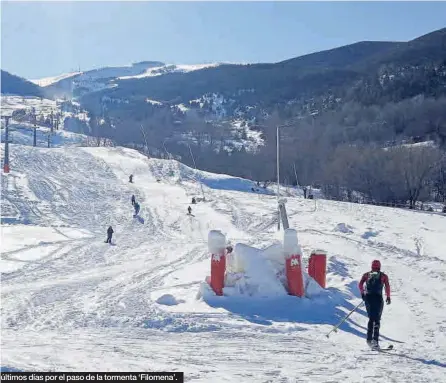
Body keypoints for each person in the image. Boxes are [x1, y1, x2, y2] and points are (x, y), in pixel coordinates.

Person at [358, 260, 391, 348]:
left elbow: (360, 284)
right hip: (378, 299)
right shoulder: (383, 276)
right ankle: (375, 341)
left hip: (368, 298)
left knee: (371, 318)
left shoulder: (366, 275)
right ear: (379, 266)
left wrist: (362, 293)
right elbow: (387, 286)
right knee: (377, 319)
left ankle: (369, 339)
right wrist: (388, 297)